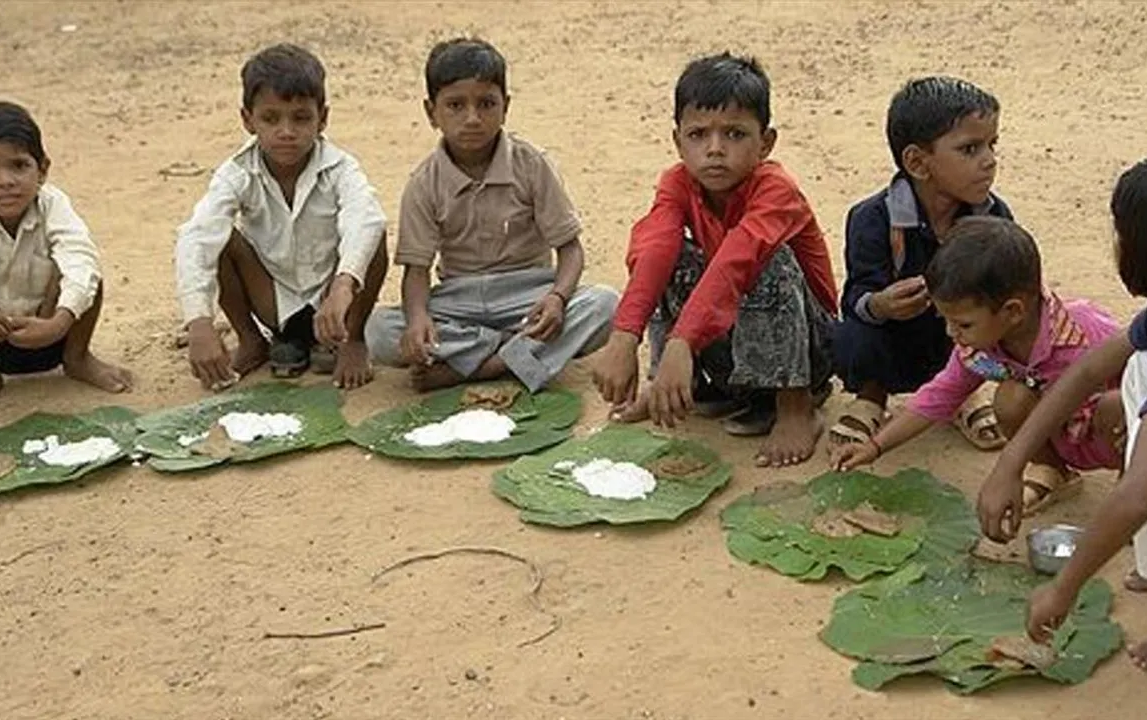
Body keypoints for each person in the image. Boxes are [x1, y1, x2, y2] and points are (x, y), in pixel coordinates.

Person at [976, 156, 1147, 675]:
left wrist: (1062, 587)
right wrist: (1010, 464)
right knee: (1138, 375)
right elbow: (1084, 374)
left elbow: (1139, 494)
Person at [592, 52, 838, 468]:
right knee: (669, 255)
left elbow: (737, 262)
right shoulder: (678, 182)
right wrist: (624, 335)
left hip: (807, 351)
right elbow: (654, 249)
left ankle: (796, 407)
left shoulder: (776, 189)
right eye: (699, 134)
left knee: (768, 261)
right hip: (730, 344)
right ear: (678, 141)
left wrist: (683, 340)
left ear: (766, 143)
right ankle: (675, 385)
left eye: (735, 134)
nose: (715, 149)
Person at [365, 38, 617, 392]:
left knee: (605, 305)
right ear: (431, 112)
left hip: (527, 294)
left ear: (506, 107)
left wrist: (558, 298)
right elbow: (416, 271)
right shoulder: (423, 183)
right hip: (458, 300)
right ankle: (515, 352)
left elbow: (570, 250)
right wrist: (419, 320)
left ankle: (485, 366)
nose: (472, 119)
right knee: (378, 331)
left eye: (486, 104)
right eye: (455, 105)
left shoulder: (532, 165)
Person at [833, 216, 1122, 515]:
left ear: (1012, 312)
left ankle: (1135, 494)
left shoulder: (1086, 331)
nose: (950, 332)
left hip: (1115, 436)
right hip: (1058, 436)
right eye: (945, 320)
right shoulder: (981, 348)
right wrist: (875, 446)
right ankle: (1052, 470)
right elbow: (939, 395)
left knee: (1117, 405)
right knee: (1011, 398)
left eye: (962, 323)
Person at [175, 43, 388, 390]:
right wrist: (198, 322)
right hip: (273, 300)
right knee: (219, 238)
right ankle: (253, 340)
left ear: (323, 118)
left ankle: (353, 340)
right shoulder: (237, 173)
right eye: (270, 118)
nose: (286, 131)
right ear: (248, 120)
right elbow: (196, 237)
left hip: (335, 305)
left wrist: (343, 285)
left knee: (373, 231)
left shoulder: (340, 168)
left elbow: (366, 218)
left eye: (301, 117)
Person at [831, 76, 1014, 453]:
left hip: (956, 341)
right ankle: (871, 398)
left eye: (991, 145)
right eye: (970, 149)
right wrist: (881, 304)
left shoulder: (994, 219)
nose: (989, 161)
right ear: (917, 162)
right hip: (894, 341)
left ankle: (964, 393)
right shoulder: (872, 218)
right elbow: (856, 296)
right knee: (853, 329)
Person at [0, 101, 132, 420]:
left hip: (55, 328)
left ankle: (78, 359)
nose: (5, 181)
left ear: (43, 168)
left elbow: (80, 260)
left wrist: (58, 321)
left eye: (19, 165)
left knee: (85, 272)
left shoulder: (53, 205)